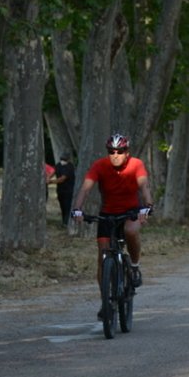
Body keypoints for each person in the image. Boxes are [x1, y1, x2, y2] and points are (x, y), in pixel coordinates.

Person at [71, 134, 155, 314]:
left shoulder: (136, 164)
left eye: (120, 151)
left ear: (127, 152)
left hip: (130, 212)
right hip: (107, 214)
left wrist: (147, 206)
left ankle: (133, 267)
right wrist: (77, 209)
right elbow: (85, 188)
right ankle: (106, 302)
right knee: (102, 256)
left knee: (131, 231)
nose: (115, 155)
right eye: (111, 151)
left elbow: (144, 187)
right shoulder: (100, 165)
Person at [53, 154, 76, 227]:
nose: (63, 161)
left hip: (68, 190)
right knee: (62, 206)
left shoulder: (70, 167)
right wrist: (48, 178)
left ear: (68, 160)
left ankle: (66, 222)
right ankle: (64, 221)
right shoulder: (58, 165)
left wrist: (50, 181)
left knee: (67, 207)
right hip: (60, 190)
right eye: (62, 159)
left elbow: (62, 179)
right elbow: (53, 172)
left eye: (64, 160)